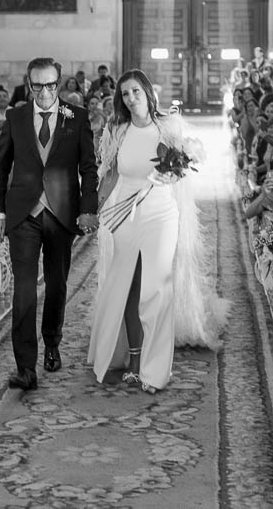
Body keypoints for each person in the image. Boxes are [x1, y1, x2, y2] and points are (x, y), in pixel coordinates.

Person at [88, 70, 227, 393]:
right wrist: (95, 211)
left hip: (160, 213)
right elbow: (108, 174)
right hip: (123, 214)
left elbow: (182, 173)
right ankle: (133, 358)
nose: (131, 98)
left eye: (136, 91)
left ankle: (154, 372)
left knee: (157, 290)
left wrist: (173, 175)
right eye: (125, 94)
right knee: (127, 288)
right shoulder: (117, 130)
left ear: (148, 93)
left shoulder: (168, 126)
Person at [0, 57, 99, 391]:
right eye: (36, 85)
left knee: (56, 285)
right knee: (24, 291)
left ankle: (52, 341)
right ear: (28, 84)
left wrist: (88, 208)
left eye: (49, 85)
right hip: (24, 214)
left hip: (61, 213)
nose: (43, 91)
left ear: (59, 83)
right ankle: (26, 368)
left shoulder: (76, 117)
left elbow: (88, 168)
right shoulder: (15, 117)